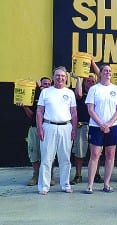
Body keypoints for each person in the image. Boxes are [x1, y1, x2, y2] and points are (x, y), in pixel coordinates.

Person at [36, 66, 77, 195]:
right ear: (53, 77)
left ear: (66, 78)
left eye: (63, 76)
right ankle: (43, 186)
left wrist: (74, 129)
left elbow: (74, 113)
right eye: (58, 75)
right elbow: (39, 111)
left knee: (65, 158)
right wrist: (40, 128)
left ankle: (65, 184)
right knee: (47, 158)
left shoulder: (70, 93)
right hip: (48, 126)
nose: (60, 78)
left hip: (66, 127)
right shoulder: (46, 92)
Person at [85, 63, 117, 194]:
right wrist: (101, 124)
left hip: (113, 126)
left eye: (109, 71)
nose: (107, 72)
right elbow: (90, 109)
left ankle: (106, 184)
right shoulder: (94, 89)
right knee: (95, 154)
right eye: (105, 70)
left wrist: (109, 123)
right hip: (96, 126)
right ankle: (90, 185)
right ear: (100, 73)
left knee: (110, 155)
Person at [16, 77, 56, 186]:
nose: (46, 85)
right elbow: (31, 116)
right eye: (44, 84)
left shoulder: (54, 96)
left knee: (49, 154)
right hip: (34, 128)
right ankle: (36, 175)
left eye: (48, 84)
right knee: (33, 153)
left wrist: (41, 88)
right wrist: (24, 106)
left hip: (49, 128)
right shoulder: (34, 97)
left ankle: (50, 176)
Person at [69, 74, 104, 185]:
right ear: (84, 83)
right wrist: (79, 79)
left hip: (96, 126)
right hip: (82, 125)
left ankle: (96, 174)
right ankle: (78, 175)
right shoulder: (80, 93)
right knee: (79, 152)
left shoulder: (97, 93)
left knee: (97, 153)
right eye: (88, 81)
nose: (90, 83)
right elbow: (78, 94)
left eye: (92, 81)